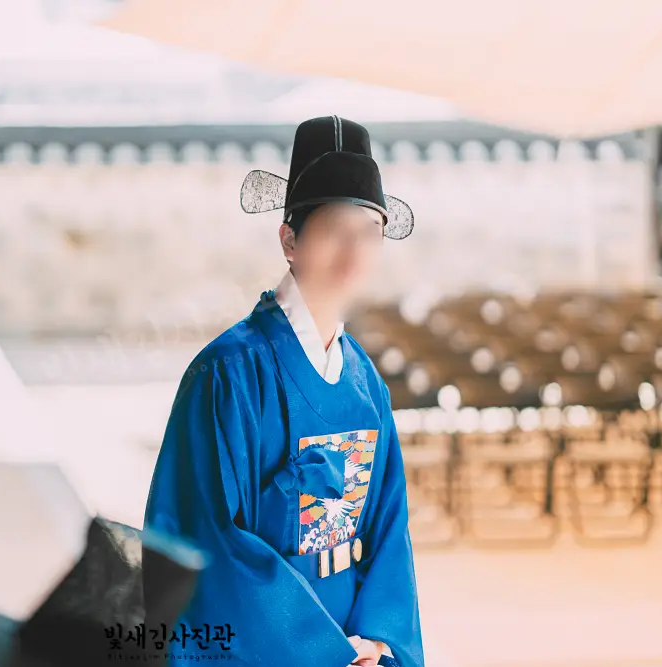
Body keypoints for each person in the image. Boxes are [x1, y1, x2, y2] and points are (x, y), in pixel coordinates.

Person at [144, 116, 423, 667]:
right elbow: (206, 540)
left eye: (369, 232)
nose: (354, 253)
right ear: (290, 240)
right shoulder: (228, 374)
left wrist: (377, 641)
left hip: (356, 645)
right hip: (268, 647)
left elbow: (389, 528)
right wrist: (322, 652)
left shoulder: (365, 381)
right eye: (335, 230)